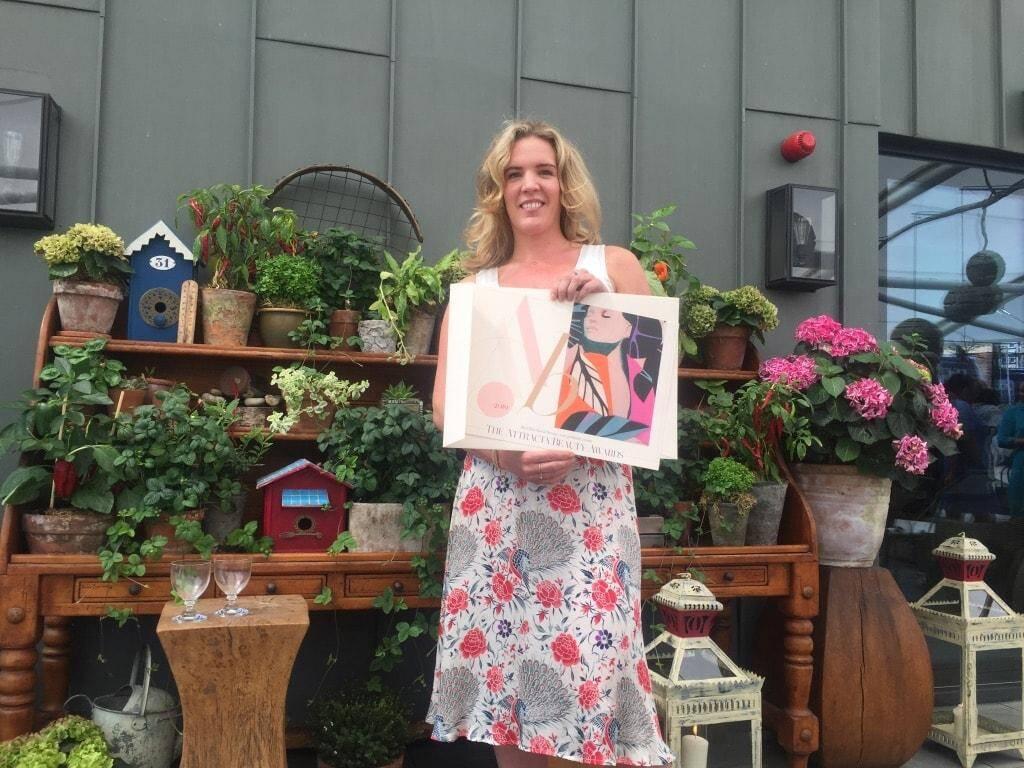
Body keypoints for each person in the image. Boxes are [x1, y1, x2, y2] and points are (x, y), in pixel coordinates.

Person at [426, 120, 674, 768]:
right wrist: (503, 452)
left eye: (543, 170)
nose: (529, 184)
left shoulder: (610, 266)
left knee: (587, 691)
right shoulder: (476, 289)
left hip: (587, 516)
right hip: (498, 510)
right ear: (497, 191)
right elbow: (445, 403)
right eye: (514, 173)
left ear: (565, 185)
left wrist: (611, 306)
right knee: (512, 701)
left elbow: (653, 387)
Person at [556, 304, 663, 444]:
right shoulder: (565, 358)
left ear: (628, 329)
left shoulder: (640, 378)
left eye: (606, 315)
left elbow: (645, 435)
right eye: (589, 313)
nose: (592, 319)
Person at [997, 380, 1024, 516]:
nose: (1022, 394)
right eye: (1021, 390)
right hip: (1021, 466)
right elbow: (1001, 439)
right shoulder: (1013, 412)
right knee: (1019, 509)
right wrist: (1021, 441)